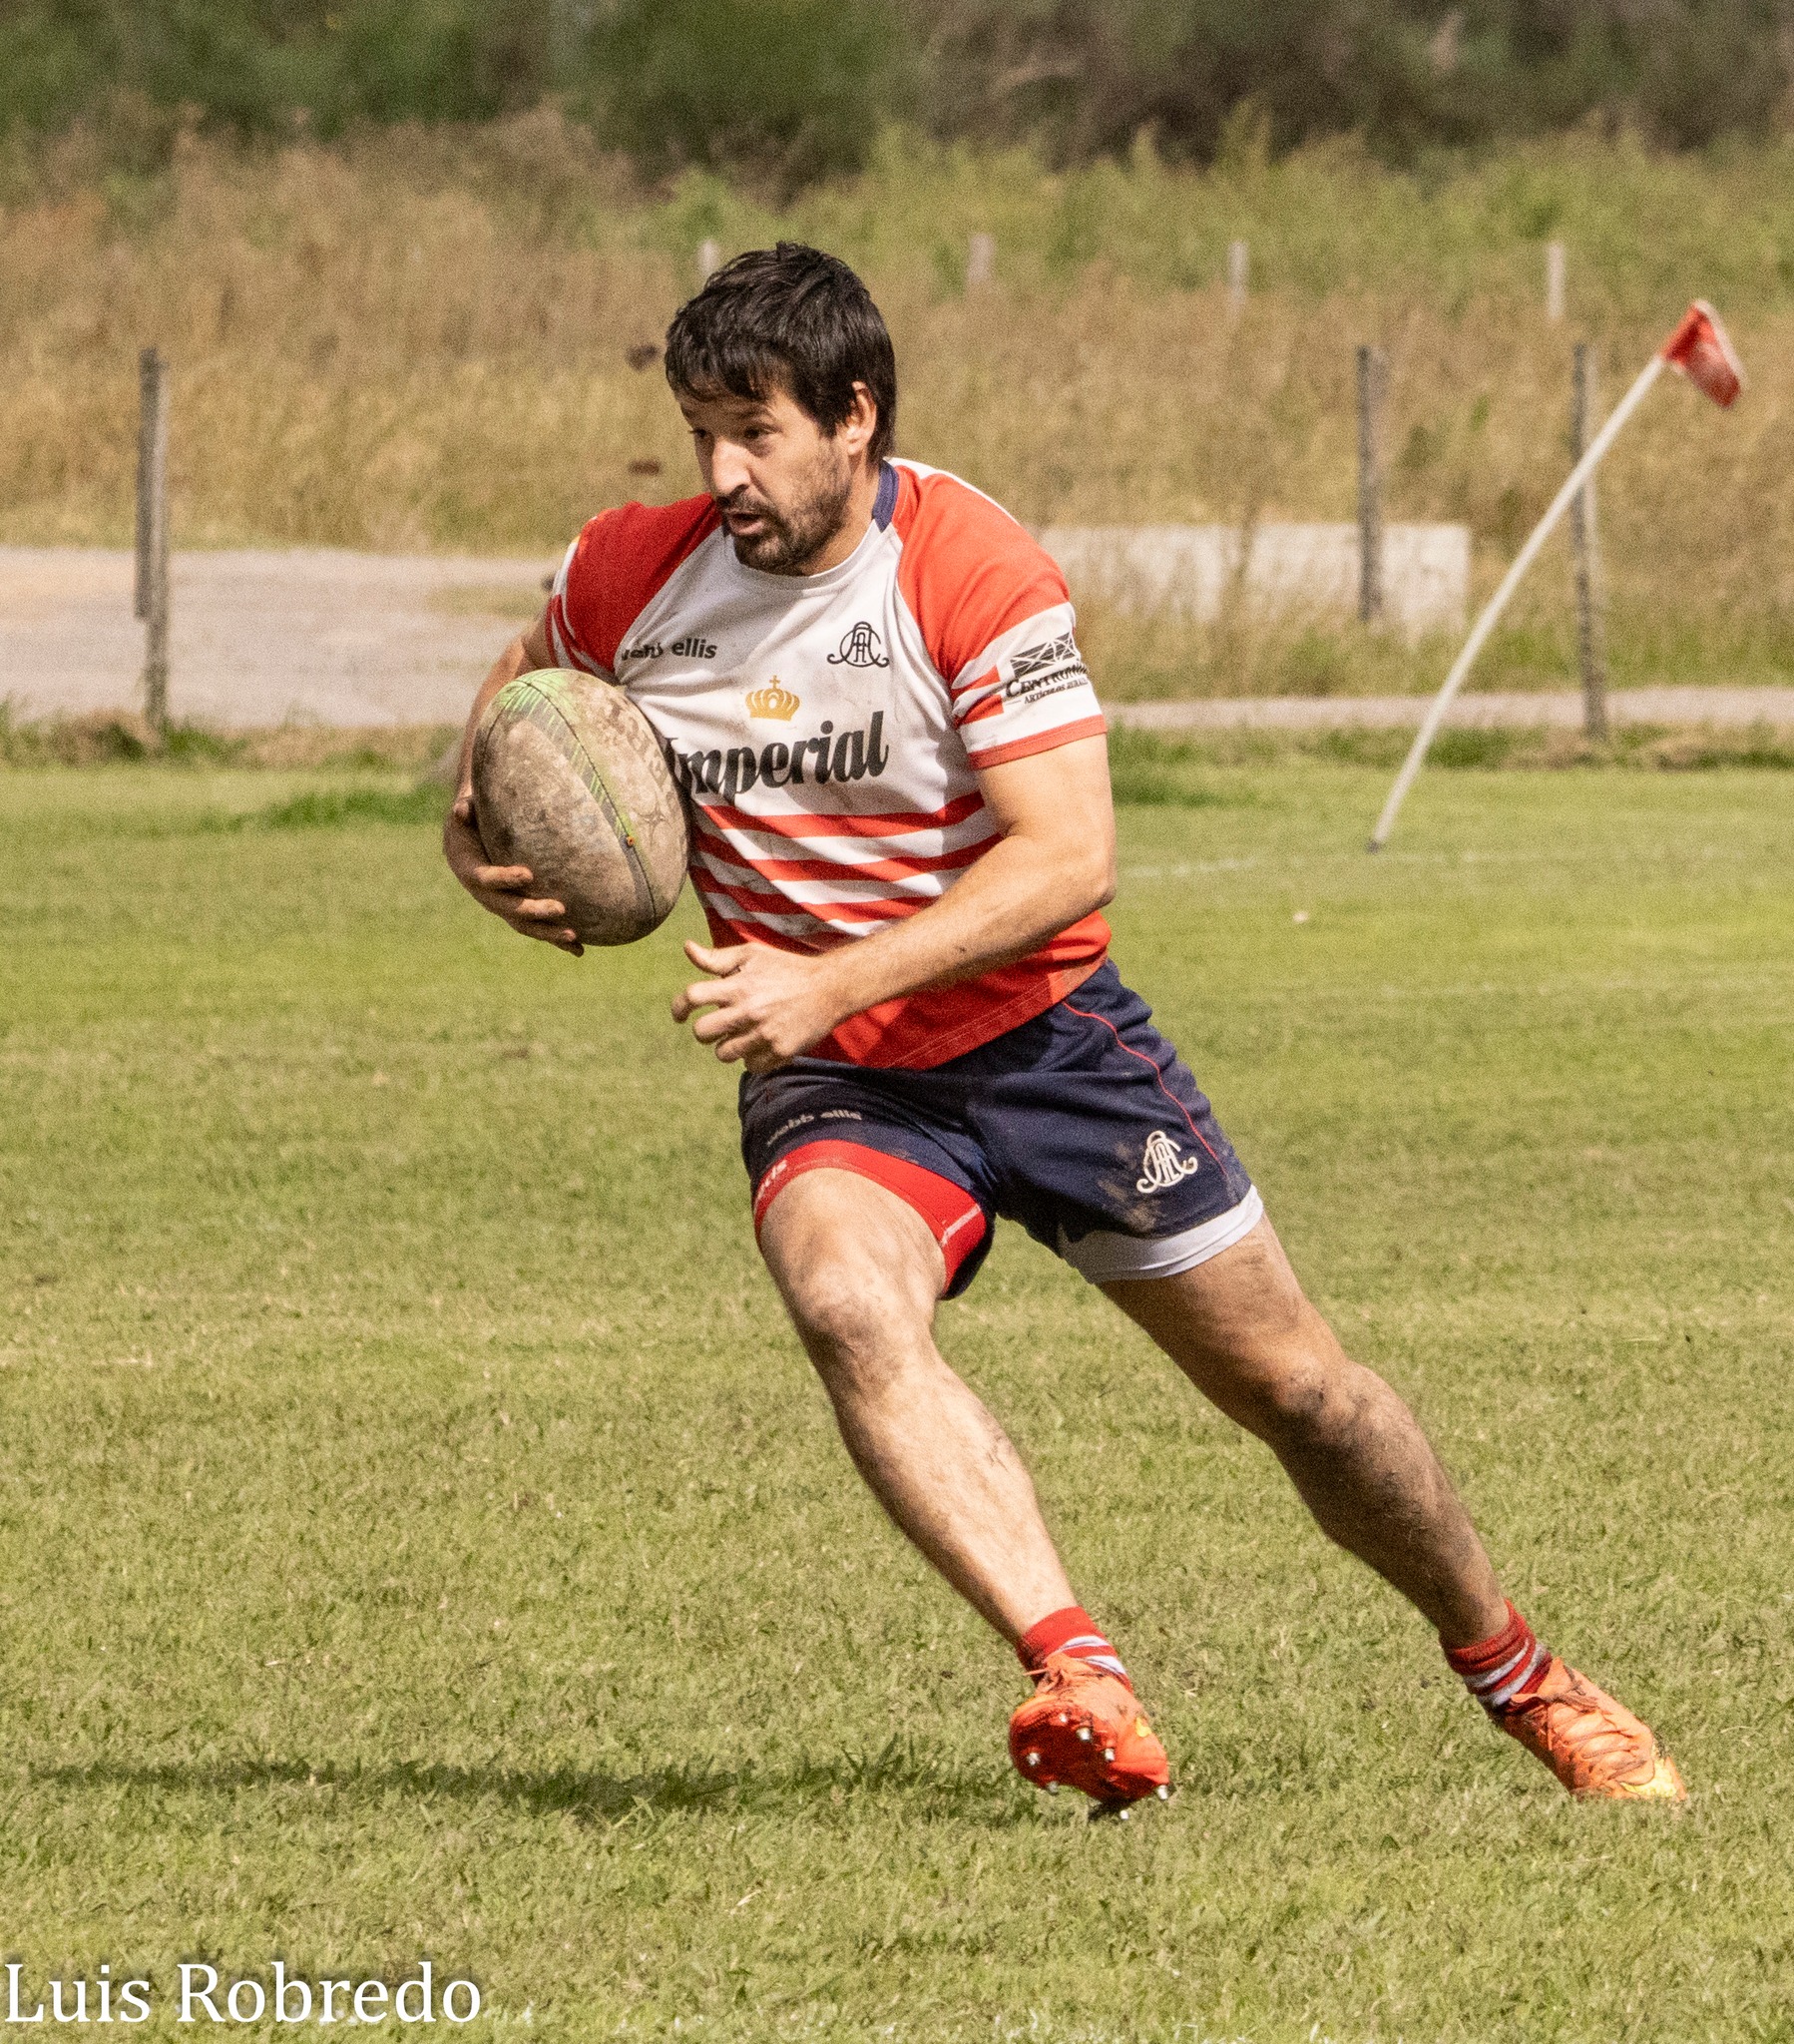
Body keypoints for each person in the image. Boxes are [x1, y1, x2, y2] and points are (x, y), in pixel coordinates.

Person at [443, 242, 1683, 1812]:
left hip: (1048, 1047)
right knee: (844, 1305)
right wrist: (480, 857)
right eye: (699, 429)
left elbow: (1065, 856)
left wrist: (824, 974)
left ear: (854, 418)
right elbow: (500, 741)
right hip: (840, 1083)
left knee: (1300, 1395)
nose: (721, 472)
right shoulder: (629, 573)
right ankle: (1077, 1674)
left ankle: (1519, 1672)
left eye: (755, 431)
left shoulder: (969, 568)